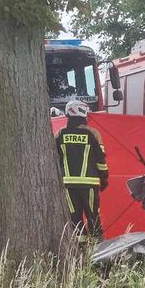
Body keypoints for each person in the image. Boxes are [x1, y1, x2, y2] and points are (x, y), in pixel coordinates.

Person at [55, 100, 108, 238]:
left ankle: (81, 251)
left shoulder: (60, 134)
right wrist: (104, 179)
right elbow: (100, 160)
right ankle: (98, 249)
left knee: (75, 219)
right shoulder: (93, 133)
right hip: (89, 184)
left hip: (68, 185)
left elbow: (54, 158)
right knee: (93, 216)